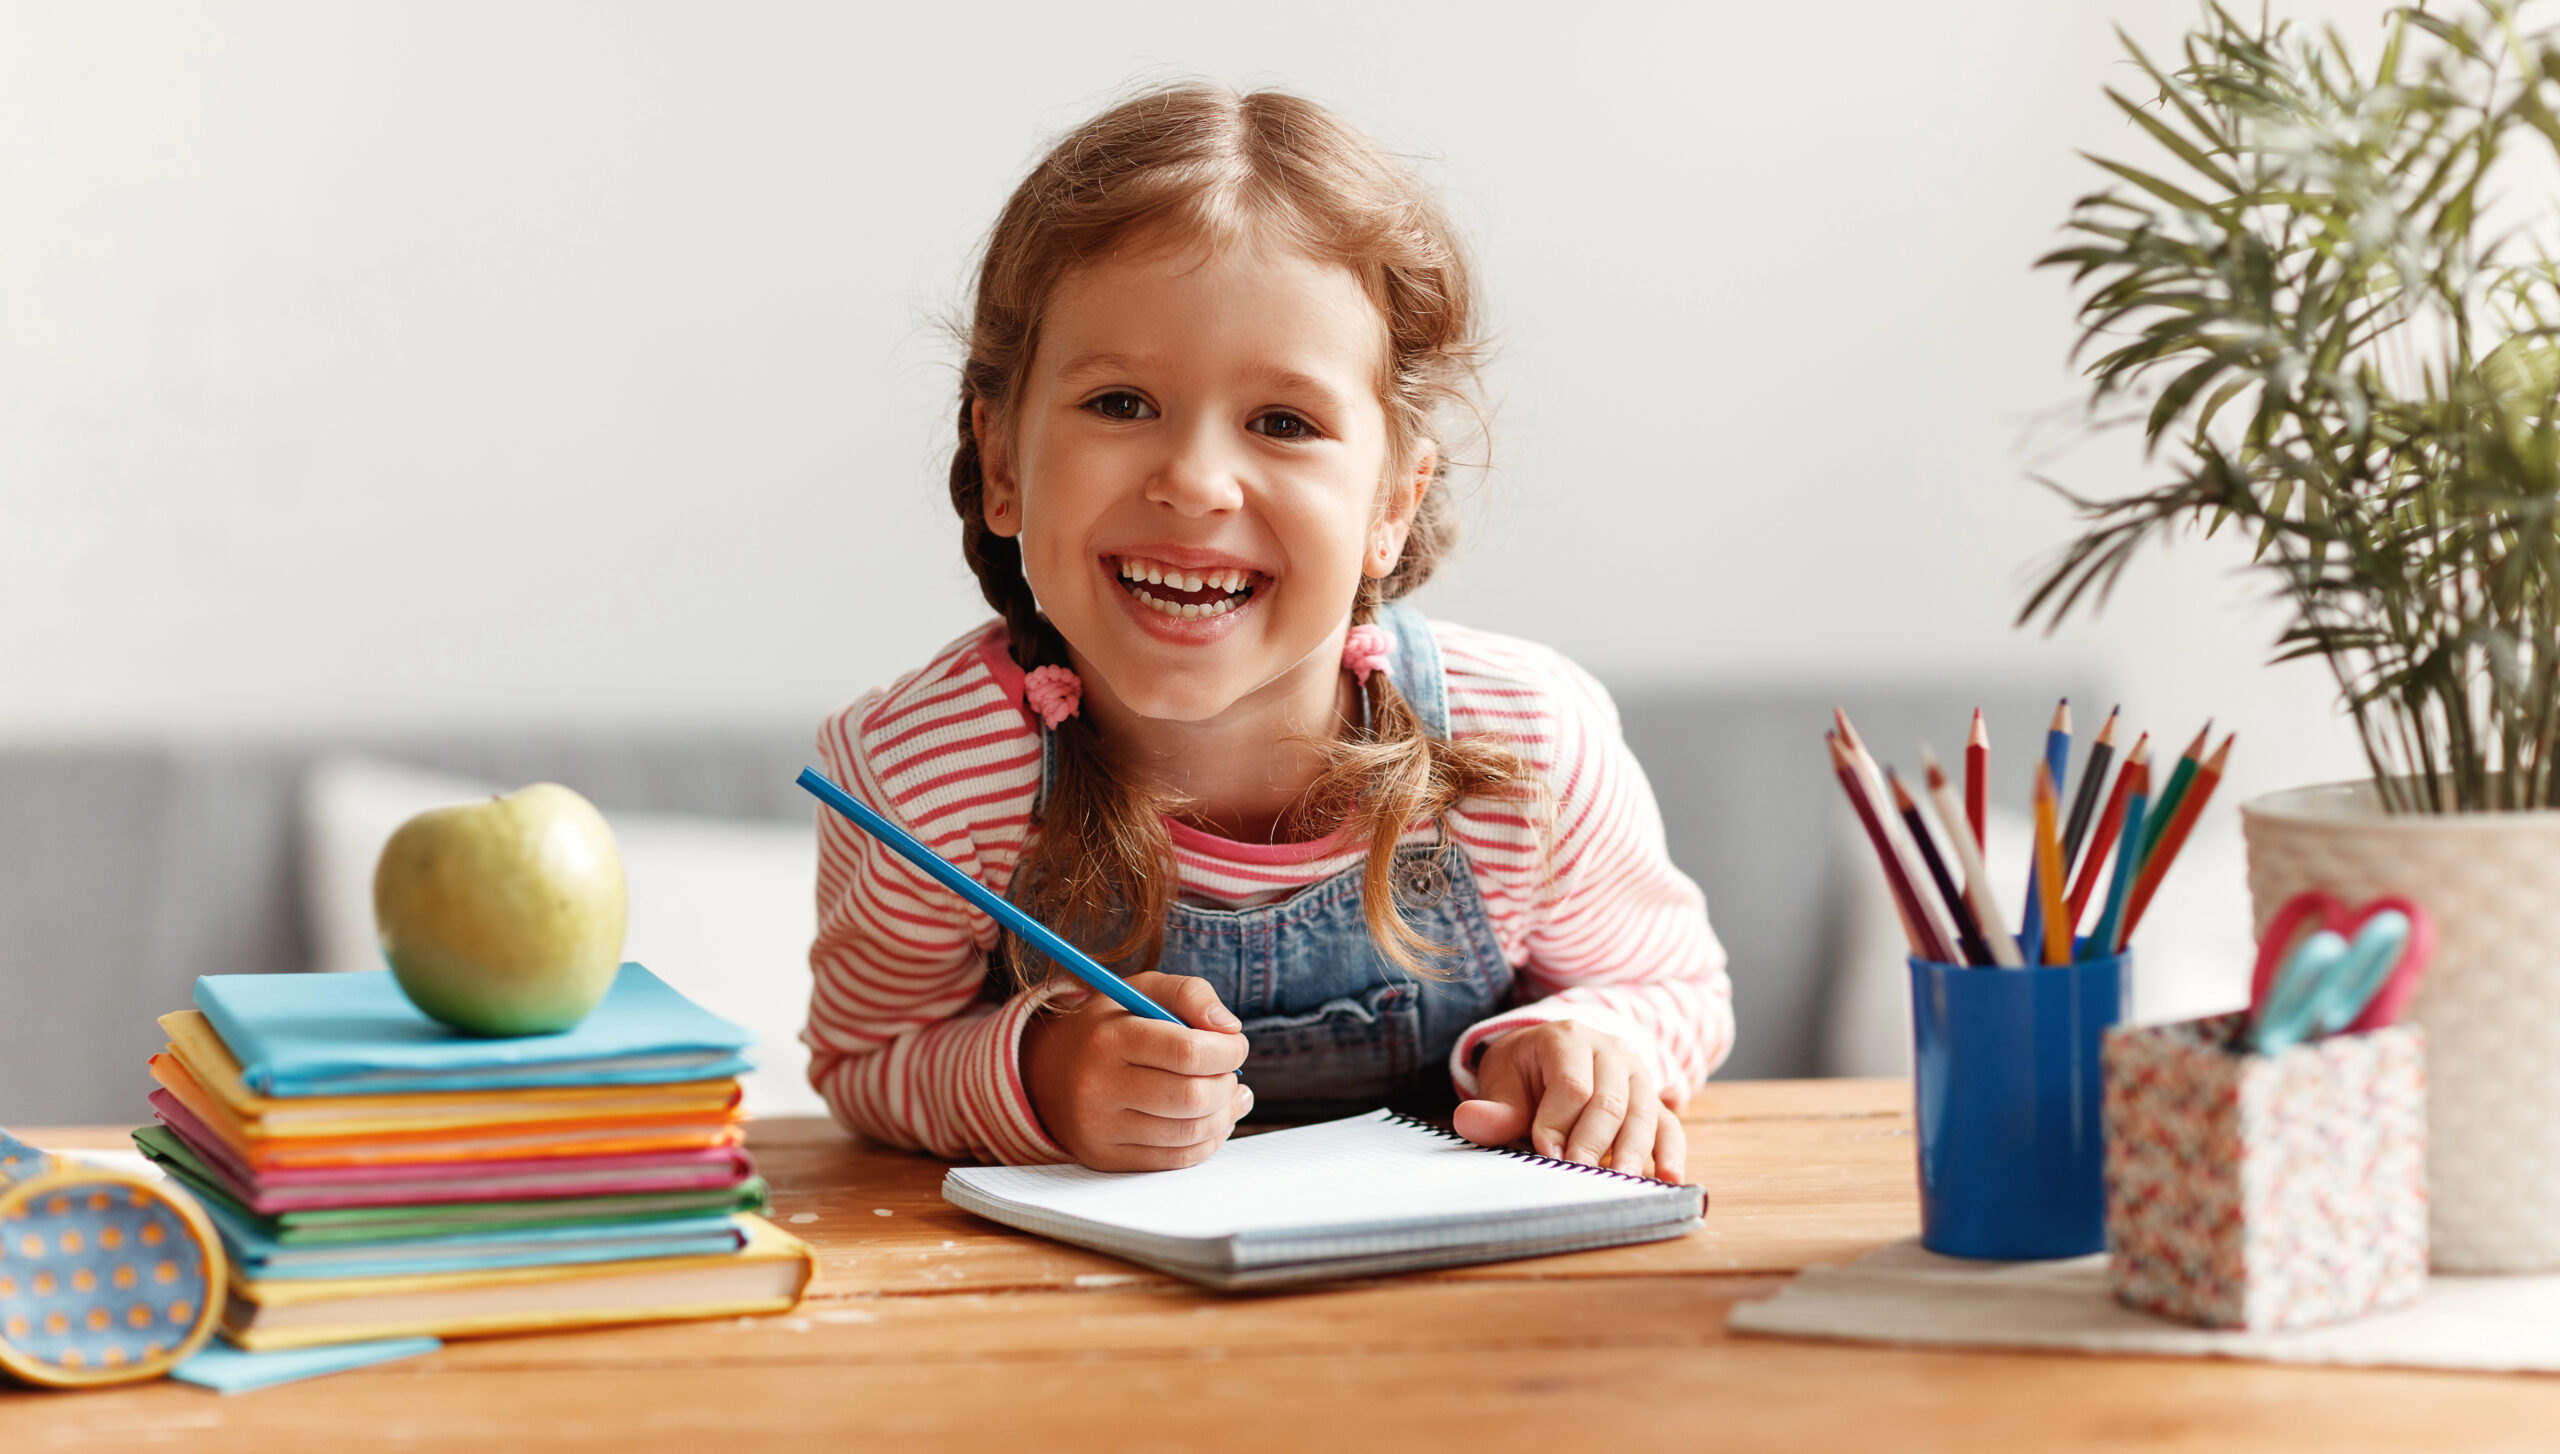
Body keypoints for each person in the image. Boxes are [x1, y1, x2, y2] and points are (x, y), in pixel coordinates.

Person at [805, 84, 1732, 1180]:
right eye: (1119, 402)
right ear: (1003, 462)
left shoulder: (1526, 742)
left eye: (1283, 422)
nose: (1196, 482)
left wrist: (1576, 1048)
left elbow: (1673, 989)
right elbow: (869, 1053)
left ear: (1391, 502)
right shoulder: (923, 775)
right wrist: (1042, 1077)